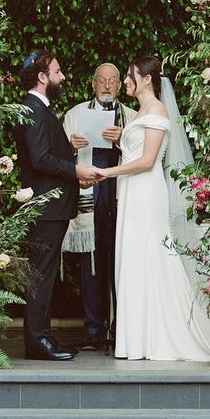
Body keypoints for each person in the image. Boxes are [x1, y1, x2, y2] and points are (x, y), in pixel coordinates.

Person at [93, 56, 210, 361]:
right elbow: (135, 150)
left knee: (150, 258)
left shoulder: (157, 111)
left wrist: (105, 173)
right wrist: (120, 142)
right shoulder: (142, 112)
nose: (125, 81)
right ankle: (136, 340)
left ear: (147, 80)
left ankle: (157, 337)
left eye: (130, 76)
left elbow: (147, 161)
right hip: (132, 193)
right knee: (134, 259)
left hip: (146, 194)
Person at [14, 49, 97, 361]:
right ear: (42, 76)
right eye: (58, 71)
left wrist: (74, 168)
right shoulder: (33, 108)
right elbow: (40, 159)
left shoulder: (39, 108)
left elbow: (49, 155)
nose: (62, 77)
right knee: (41, 274)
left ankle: (42, 337)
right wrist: (76, 170)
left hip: (51, 207)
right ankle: (37, 341)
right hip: (45, 208)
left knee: (43, 273)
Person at [62, 63, 136, 349]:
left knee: (121, 261)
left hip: (120, 192)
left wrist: (123, 140)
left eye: (112, 81)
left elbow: (144, 155)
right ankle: (93, 331)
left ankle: (121, 330)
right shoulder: (75, 114)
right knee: (91, 263)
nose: (107, 86)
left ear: (119, 86)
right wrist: (71, 146)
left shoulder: (130, 117)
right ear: (93, 85)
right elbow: (58, 156)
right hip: (89, 192)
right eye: (101, 81)